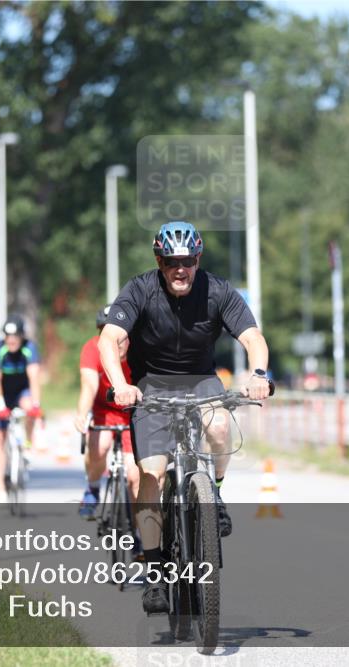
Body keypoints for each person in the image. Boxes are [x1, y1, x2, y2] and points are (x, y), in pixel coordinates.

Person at [98, 221, 271, 614]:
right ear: (159, 262)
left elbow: (252, 337)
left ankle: (216, 494)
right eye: (171, 261)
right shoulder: (140, 289)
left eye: (188, 261)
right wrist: (120, 385)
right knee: (152, 474)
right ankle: (155, 572)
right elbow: (109, 338)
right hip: (151, 386)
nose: (181, 269)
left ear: (198, 259)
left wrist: (259, 374)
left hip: (201, 381)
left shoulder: (218, 291)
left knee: (220, 425)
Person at [75, 305, 140, 518]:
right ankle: (92, 489)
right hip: (104, 410)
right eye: (105, 332)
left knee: (134, 475)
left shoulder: (140, 350)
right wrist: (82, 413)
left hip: (133, 412)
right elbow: (89, 385)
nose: (113, 340)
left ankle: (136, 529)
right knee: (98, 446)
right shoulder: (92, 349)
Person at [0, 316, 43, 503]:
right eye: (8, 336)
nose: (11, 340)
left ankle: (27, 446)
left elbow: (34, 377)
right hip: (2, 393)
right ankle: (0, 488)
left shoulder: (30, 348)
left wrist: (36, 405)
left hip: (21, 390)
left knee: (30, 408)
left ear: (22, 336)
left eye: (15, 337)